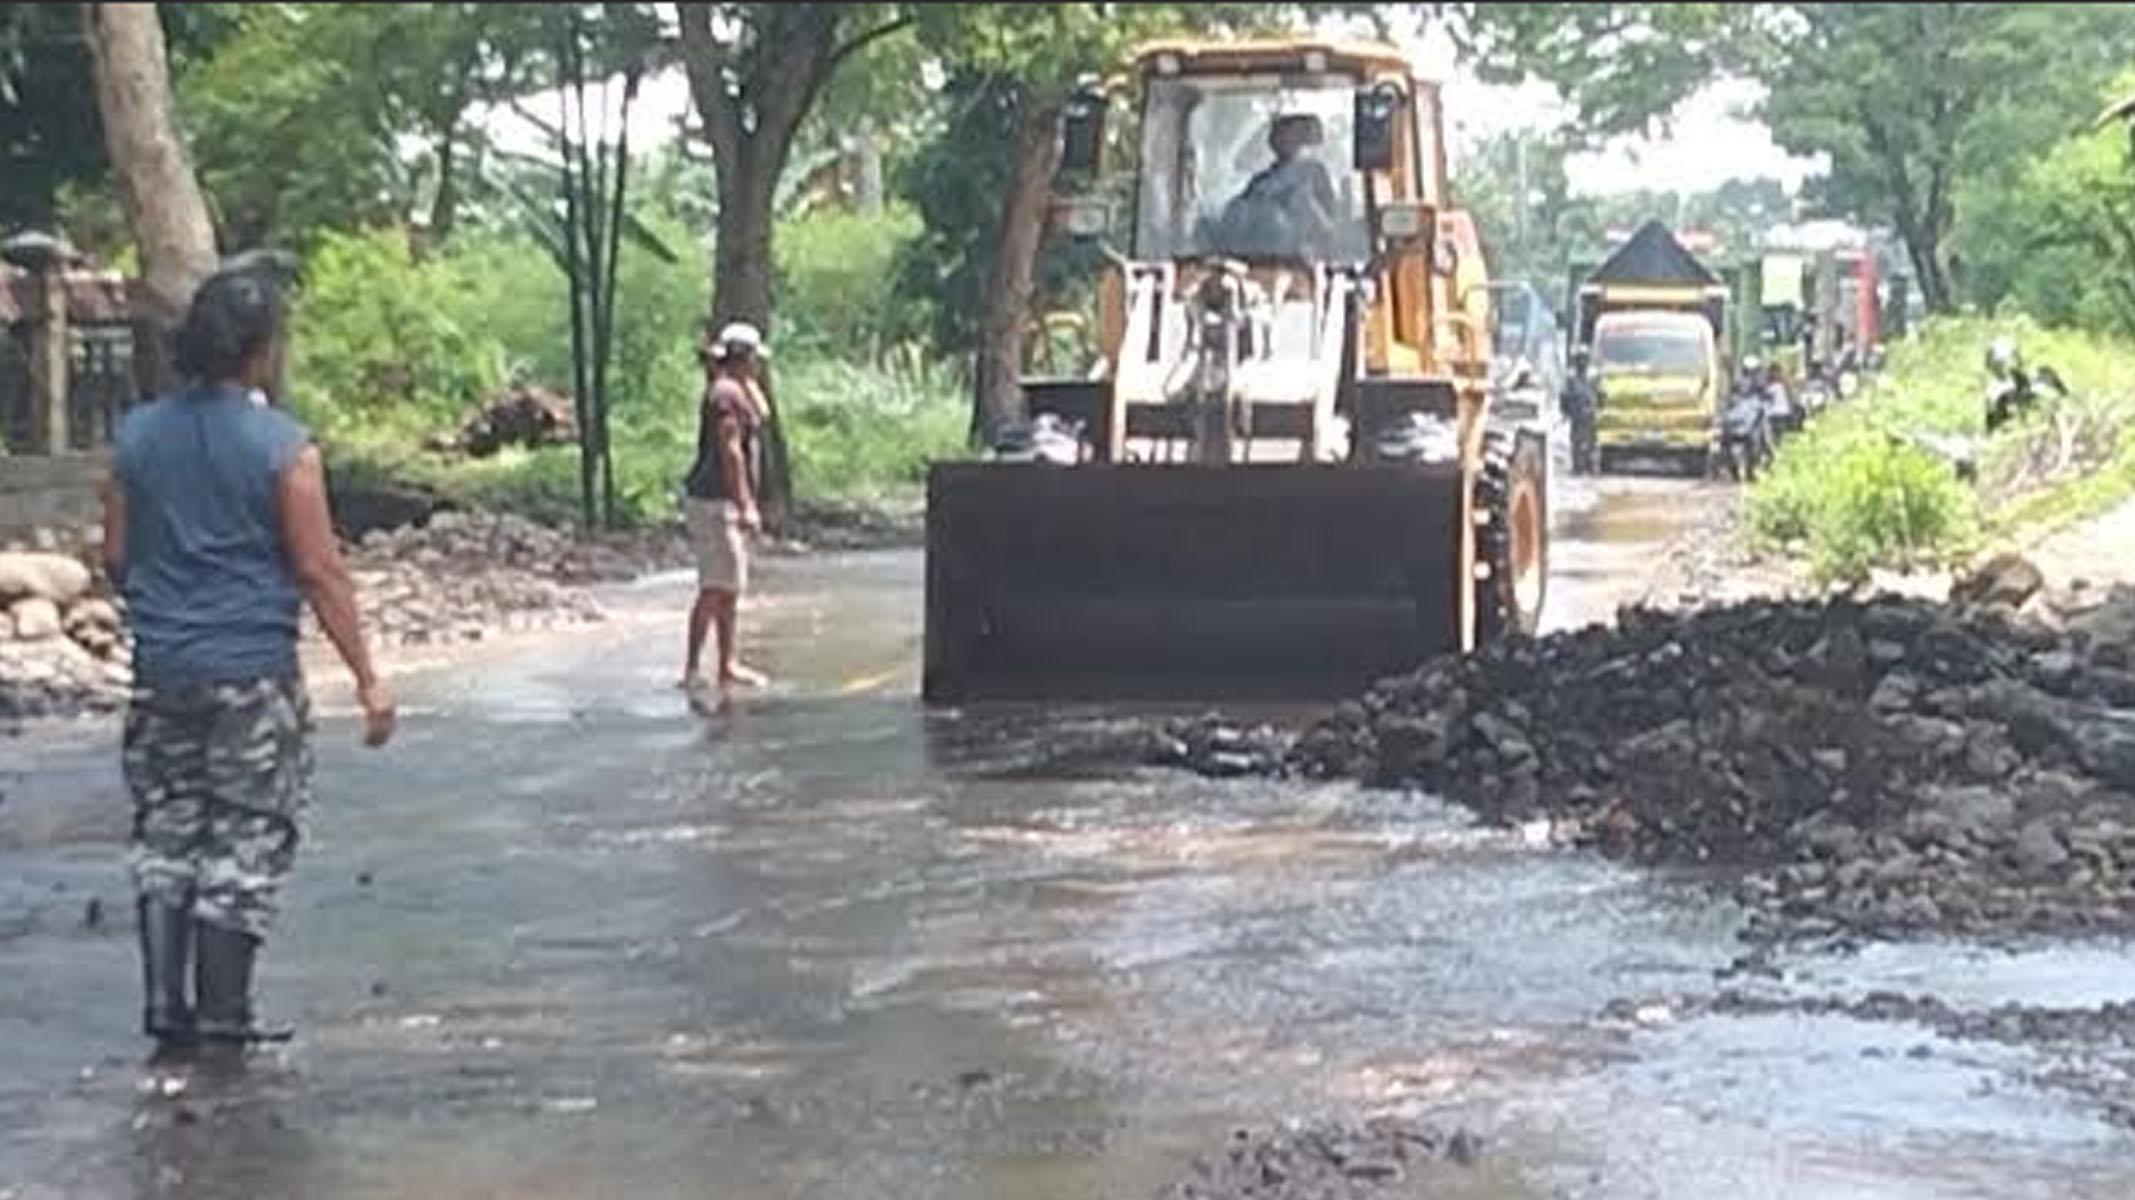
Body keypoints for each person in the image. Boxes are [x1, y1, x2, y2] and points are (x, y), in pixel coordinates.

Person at [103, 262, 395, 1065]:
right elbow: (318, 569)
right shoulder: (284, 448)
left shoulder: (136, 436)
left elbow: (118, 555)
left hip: (161, 670)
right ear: (261, 352)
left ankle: (167, 1007)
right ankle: (225, 1017)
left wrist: (168, 608)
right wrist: (367, 676)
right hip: (250, 672)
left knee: (168, 831)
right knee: (246, 836)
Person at [678, 321, 771, 700]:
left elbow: (762, 414)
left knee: (729, 587)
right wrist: (746, 504)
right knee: (715, 587)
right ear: (745, 359)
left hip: (720, 502)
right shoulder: (725, 397)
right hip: (713, 502)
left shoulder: (734, 390)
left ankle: (726, 664)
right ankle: (693, 668)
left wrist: (742, 377)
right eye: (754, 362)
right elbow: (730, 451)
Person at [1222, 113, 1339, 258]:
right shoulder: (1260, 181)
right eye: (1277, 132)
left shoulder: (1314, 174)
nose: (1281, 137)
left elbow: (1330, 232)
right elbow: (1235, 223)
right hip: (1257, 262)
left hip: (1300, 264)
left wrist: (1308, 203)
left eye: (1288, 131)